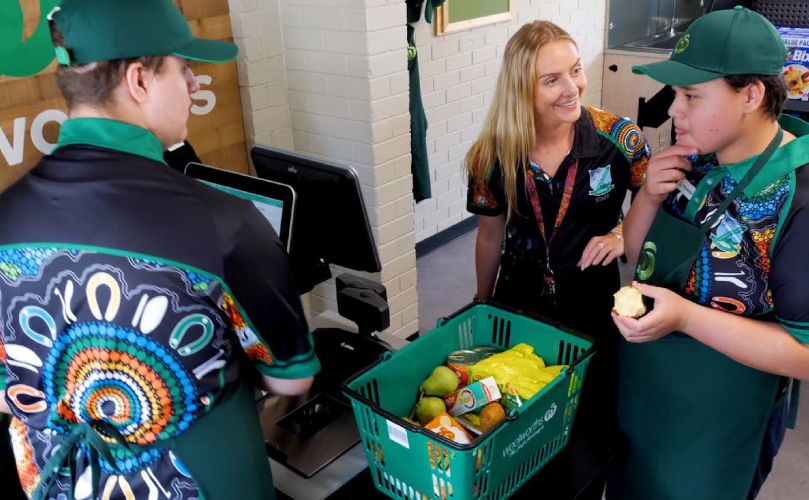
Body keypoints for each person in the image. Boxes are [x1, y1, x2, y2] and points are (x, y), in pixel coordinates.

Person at [0, 1, 320, 499]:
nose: (194, 84)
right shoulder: (224, 224)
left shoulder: (6, 215)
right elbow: (291, 381)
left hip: (58, 484)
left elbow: (6, 388)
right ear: (139, 80)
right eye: (184, 68)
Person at [608, 7, 809, 500]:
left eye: (692, 96)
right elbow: (639, 256)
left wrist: (685, 319)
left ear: (751, 94)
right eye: (676, 94)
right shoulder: (695, 159)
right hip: (647, 395)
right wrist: (649, 196)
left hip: (718, 423)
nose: (674, 111)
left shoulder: (798, 196)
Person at [465, 20, 649, 499]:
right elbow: (489, 236)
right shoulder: (492, 154)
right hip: (520, 300)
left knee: (588, 426)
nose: (573, 89)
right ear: (521, 89)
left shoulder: (621, 140)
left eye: (574, 71)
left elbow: (658, 210)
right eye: (552, 80)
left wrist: (621, 232)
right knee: (515, 417)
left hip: (594, 300)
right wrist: (482, 304)